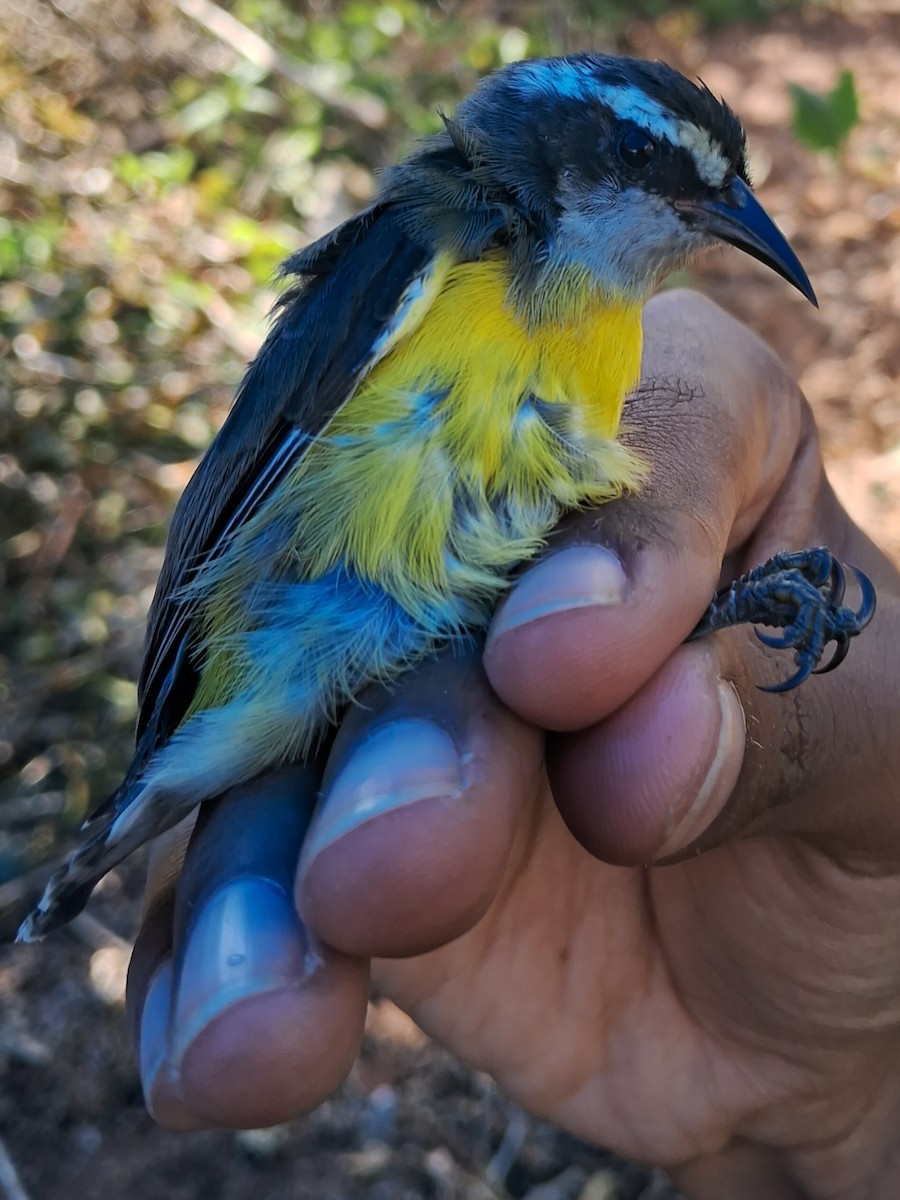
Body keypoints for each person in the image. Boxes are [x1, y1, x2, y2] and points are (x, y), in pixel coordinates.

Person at [126, 290, 900, 1200]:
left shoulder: (597, 339)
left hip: (442, 671)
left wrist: (852, 1111)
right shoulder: (439, 272)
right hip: (318, 635)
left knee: (576, 610)